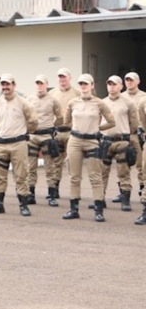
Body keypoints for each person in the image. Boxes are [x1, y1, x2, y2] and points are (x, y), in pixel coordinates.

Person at [61, 74, 115, 222]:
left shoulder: (99, 103)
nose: (83, 86)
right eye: (81, 84)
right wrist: (77, 129)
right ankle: (73, 209)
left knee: (95, 176)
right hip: (75, 140)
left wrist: (98, 128)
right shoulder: (73, 102)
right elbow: (66, 121)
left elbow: (112, 122)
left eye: (86, 84)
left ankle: (98, 210)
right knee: (74, 176)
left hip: (92, 141)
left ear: (92, 85)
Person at [0, 74, 38, 216]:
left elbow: (33, 121)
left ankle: (23, 205)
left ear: (14, 85)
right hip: (1, 144)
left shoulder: (23, 103)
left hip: (18, 144)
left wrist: (25, 132)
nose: (5, 87)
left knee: (21, 175)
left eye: (8, 84)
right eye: (3, 84)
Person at [100, 76, 139, 212]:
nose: (111, 86)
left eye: (114, 84)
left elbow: (134, 123)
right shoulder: (102, 103)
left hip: (122, 141)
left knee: (124, 172)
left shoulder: (128, 104)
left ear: (121, 86)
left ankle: (125, 200)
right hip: (105, 141)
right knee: (102, 172)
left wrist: (127, 135)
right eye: (109, 84)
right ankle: (100, 200)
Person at [26, 76, 64, 205]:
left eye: (42, 83)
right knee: (31, 167)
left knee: (50, 167)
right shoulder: (29, 99)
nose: (39, 86)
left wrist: (52, 127)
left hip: (47, 136)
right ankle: (30, 194)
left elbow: (60, 118)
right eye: (37, 83)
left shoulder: (53, 100)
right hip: (33, 136)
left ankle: (52, 195)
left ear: (46, 85)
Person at [47, 68, 78, 201]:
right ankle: (54, 190)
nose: (62, 80)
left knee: (72, 162)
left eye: (64, 77)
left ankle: (74, 192)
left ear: (69, 77)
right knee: (56, 162)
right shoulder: (52, 93)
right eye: (60, 77)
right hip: (57, 132)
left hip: (72, 132)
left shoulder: (76, 93)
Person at [121, 72, 145, 197]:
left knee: (141, 164)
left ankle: (142, 188)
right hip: (124, 134)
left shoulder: (143, 96)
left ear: (138, 81)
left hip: (138, 135)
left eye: (132, 80)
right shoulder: (120, 96)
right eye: (127, 80)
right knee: (123, 165)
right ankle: (123, 192)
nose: (129, 82)